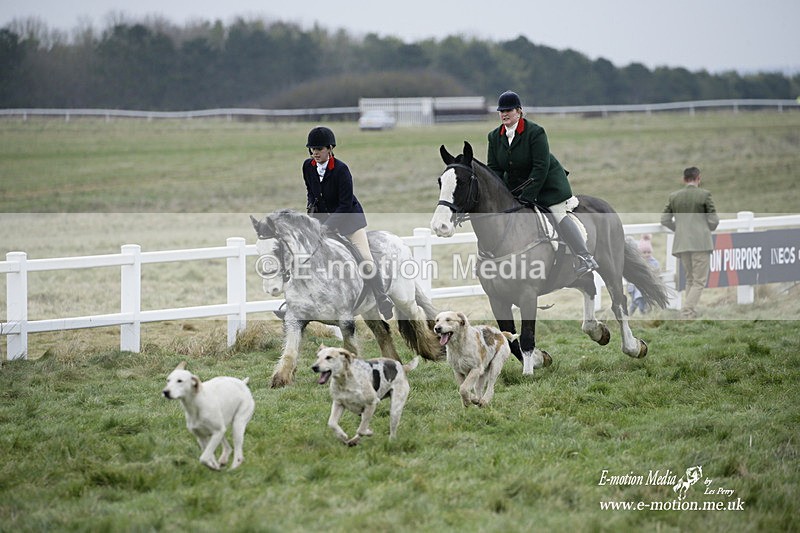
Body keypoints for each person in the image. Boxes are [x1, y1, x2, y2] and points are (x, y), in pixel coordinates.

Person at [486, 90, 598, 276]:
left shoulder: (535, 132)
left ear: (519, 111)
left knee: (557, 212)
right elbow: (494, 169)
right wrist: (500, 194)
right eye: (501, 111)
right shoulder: (494, 136)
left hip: (547, 184)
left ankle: (584, 257)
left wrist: (527, 196)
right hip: (516, 186)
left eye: (509, 110)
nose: (504, 114)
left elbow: (541, 167)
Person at [302, 126, 394, 319]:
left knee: (365, 258)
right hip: (323, 221)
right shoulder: (307, 166)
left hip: (349, 220)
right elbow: (311, 193)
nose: (315, 153)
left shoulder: (341, 170)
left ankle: (381, 298)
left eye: (319, 149)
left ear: (330, 148)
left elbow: (345, 204)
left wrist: (327, 226)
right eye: (312, 149)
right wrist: (312, 216)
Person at [660, 167, 720, 319]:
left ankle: (689, 311)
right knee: (699, 281)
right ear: (698, 178)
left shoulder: (674, 196)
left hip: (682, 243)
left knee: (690, 279)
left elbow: (665, 219)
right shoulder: (704, 195)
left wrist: (680, 230)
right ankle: (687, 311)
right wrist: (705, 228)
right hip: (700, 243)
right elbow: (714, 221)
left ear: (684, 179)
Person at [627, 234, 660, 314]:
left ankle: (643, 312)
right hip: (636, 286)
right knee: (635, 300)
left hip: (647, 285)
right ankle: (631, 312)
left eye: (649, 252)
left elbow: (656, 271)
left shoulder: (654, 262)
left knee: (642, 299)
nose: (647, 254)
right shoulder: (637, 262)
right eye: (644, 252)